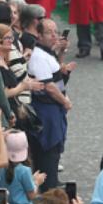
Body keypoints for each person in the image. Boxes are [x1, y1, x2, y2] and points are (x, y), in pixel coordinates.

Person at [28, 17, 75, 190]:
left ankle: (52, 179)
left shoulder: (48, 52)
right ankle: (48, 185)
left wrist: (61, 53)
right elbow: (49, 86)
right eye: (49, 32)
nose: (54, 36)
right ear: (38, 35)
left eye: (55, 31)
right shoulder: (39, 56)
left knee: (55, 145)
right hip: (46, 108)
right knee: (49, 145)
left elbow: (56, 72)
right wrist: (65, 102)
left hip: (53, 107)